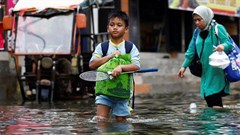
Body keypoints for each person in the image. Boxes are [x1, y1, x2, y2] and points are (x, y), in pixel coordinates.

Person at [89, 10, 140, 122]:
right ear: (108, 28)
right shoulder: (102, 47)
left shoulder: (130, 47)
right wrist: (110, 56)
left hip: (122, 93)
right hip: (104, 91)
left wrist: (121, 67)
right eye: (112, 25)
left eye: (119, 25)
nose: (115, 28)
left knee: (121, 122)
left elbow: (136, 66)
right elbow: (92, 64)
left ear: (126, 29)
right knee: (101, 120)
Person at [177, 6, 232, 108]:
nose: (197, 23)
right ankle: (215, 122)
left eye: (199, 19)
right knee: (210, 100)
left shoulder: (218, 28)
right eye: (195, 20)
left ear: (206, 17)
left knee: (214, 99)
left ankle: (218, 123)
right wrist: (183, 66)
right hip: (205, 72)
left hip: (217, 72)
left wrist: (222, 46)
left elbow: (229, 44)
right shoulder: (197, 32)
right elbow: (191, 51)